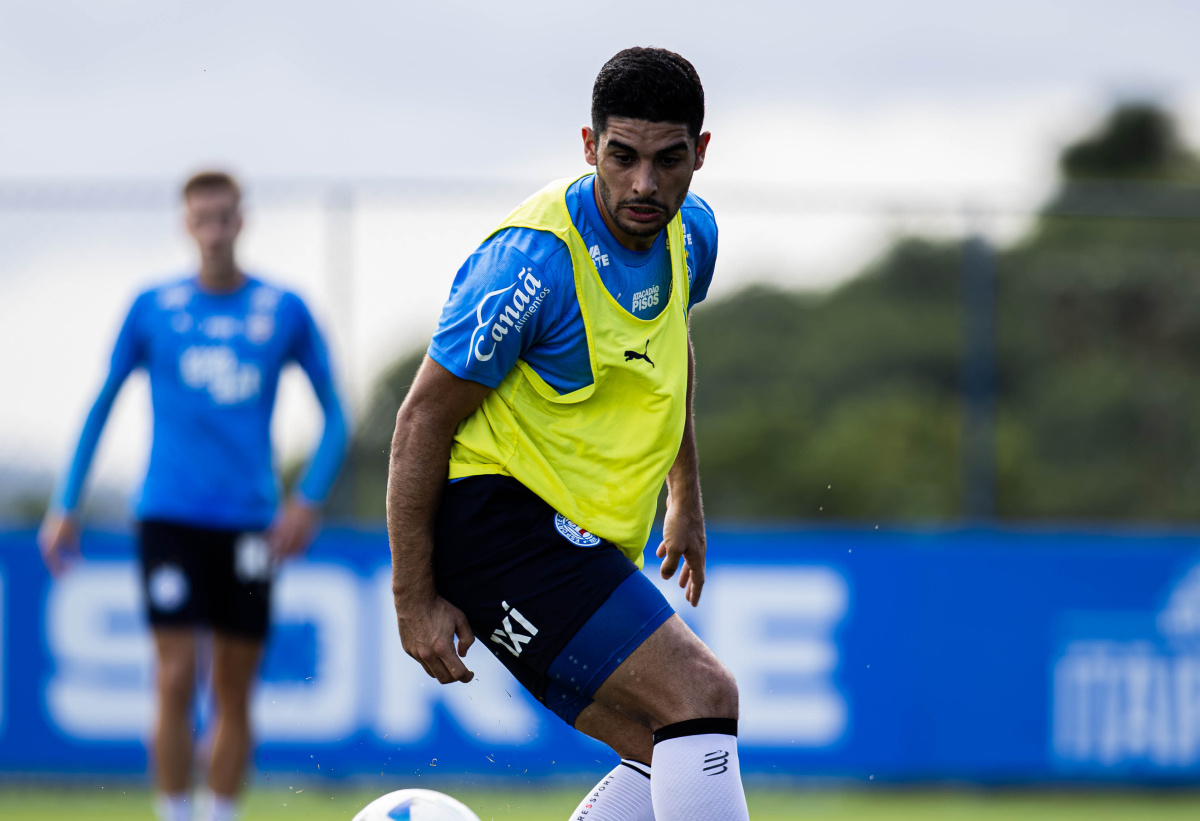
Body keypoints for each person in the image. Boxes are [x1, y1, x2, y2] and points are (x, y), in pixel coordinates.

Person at [387, 48, 749, 820]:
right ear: (589, 147)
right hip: (497, 527)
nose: (644, 184)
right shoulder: (529, 264)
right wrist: (412, 597)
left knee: (669, 747)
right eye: (622, 157)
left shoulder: (695, 236)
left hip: (578, 536)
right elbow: (421, 417)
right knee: (702, 692)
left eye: (668, 159)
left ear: (701, 153)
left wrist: (685, 492)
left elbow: (668, 352)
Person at [38, 171, 348, 821]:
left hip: (250, 524)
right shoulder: (152, 307)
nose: (212, 231)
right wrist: (66, 503)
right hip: (168, 515)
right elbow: (101, 405)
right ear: (186, 225)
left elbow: (335, 416)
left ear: (242, 221)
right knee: (175, 677)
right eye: (201, 218)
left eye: (223, 217)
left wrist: (307, 498)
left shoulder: (282, 308)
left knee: (234, 688)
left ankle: (220, 814)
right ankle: (176, 812)